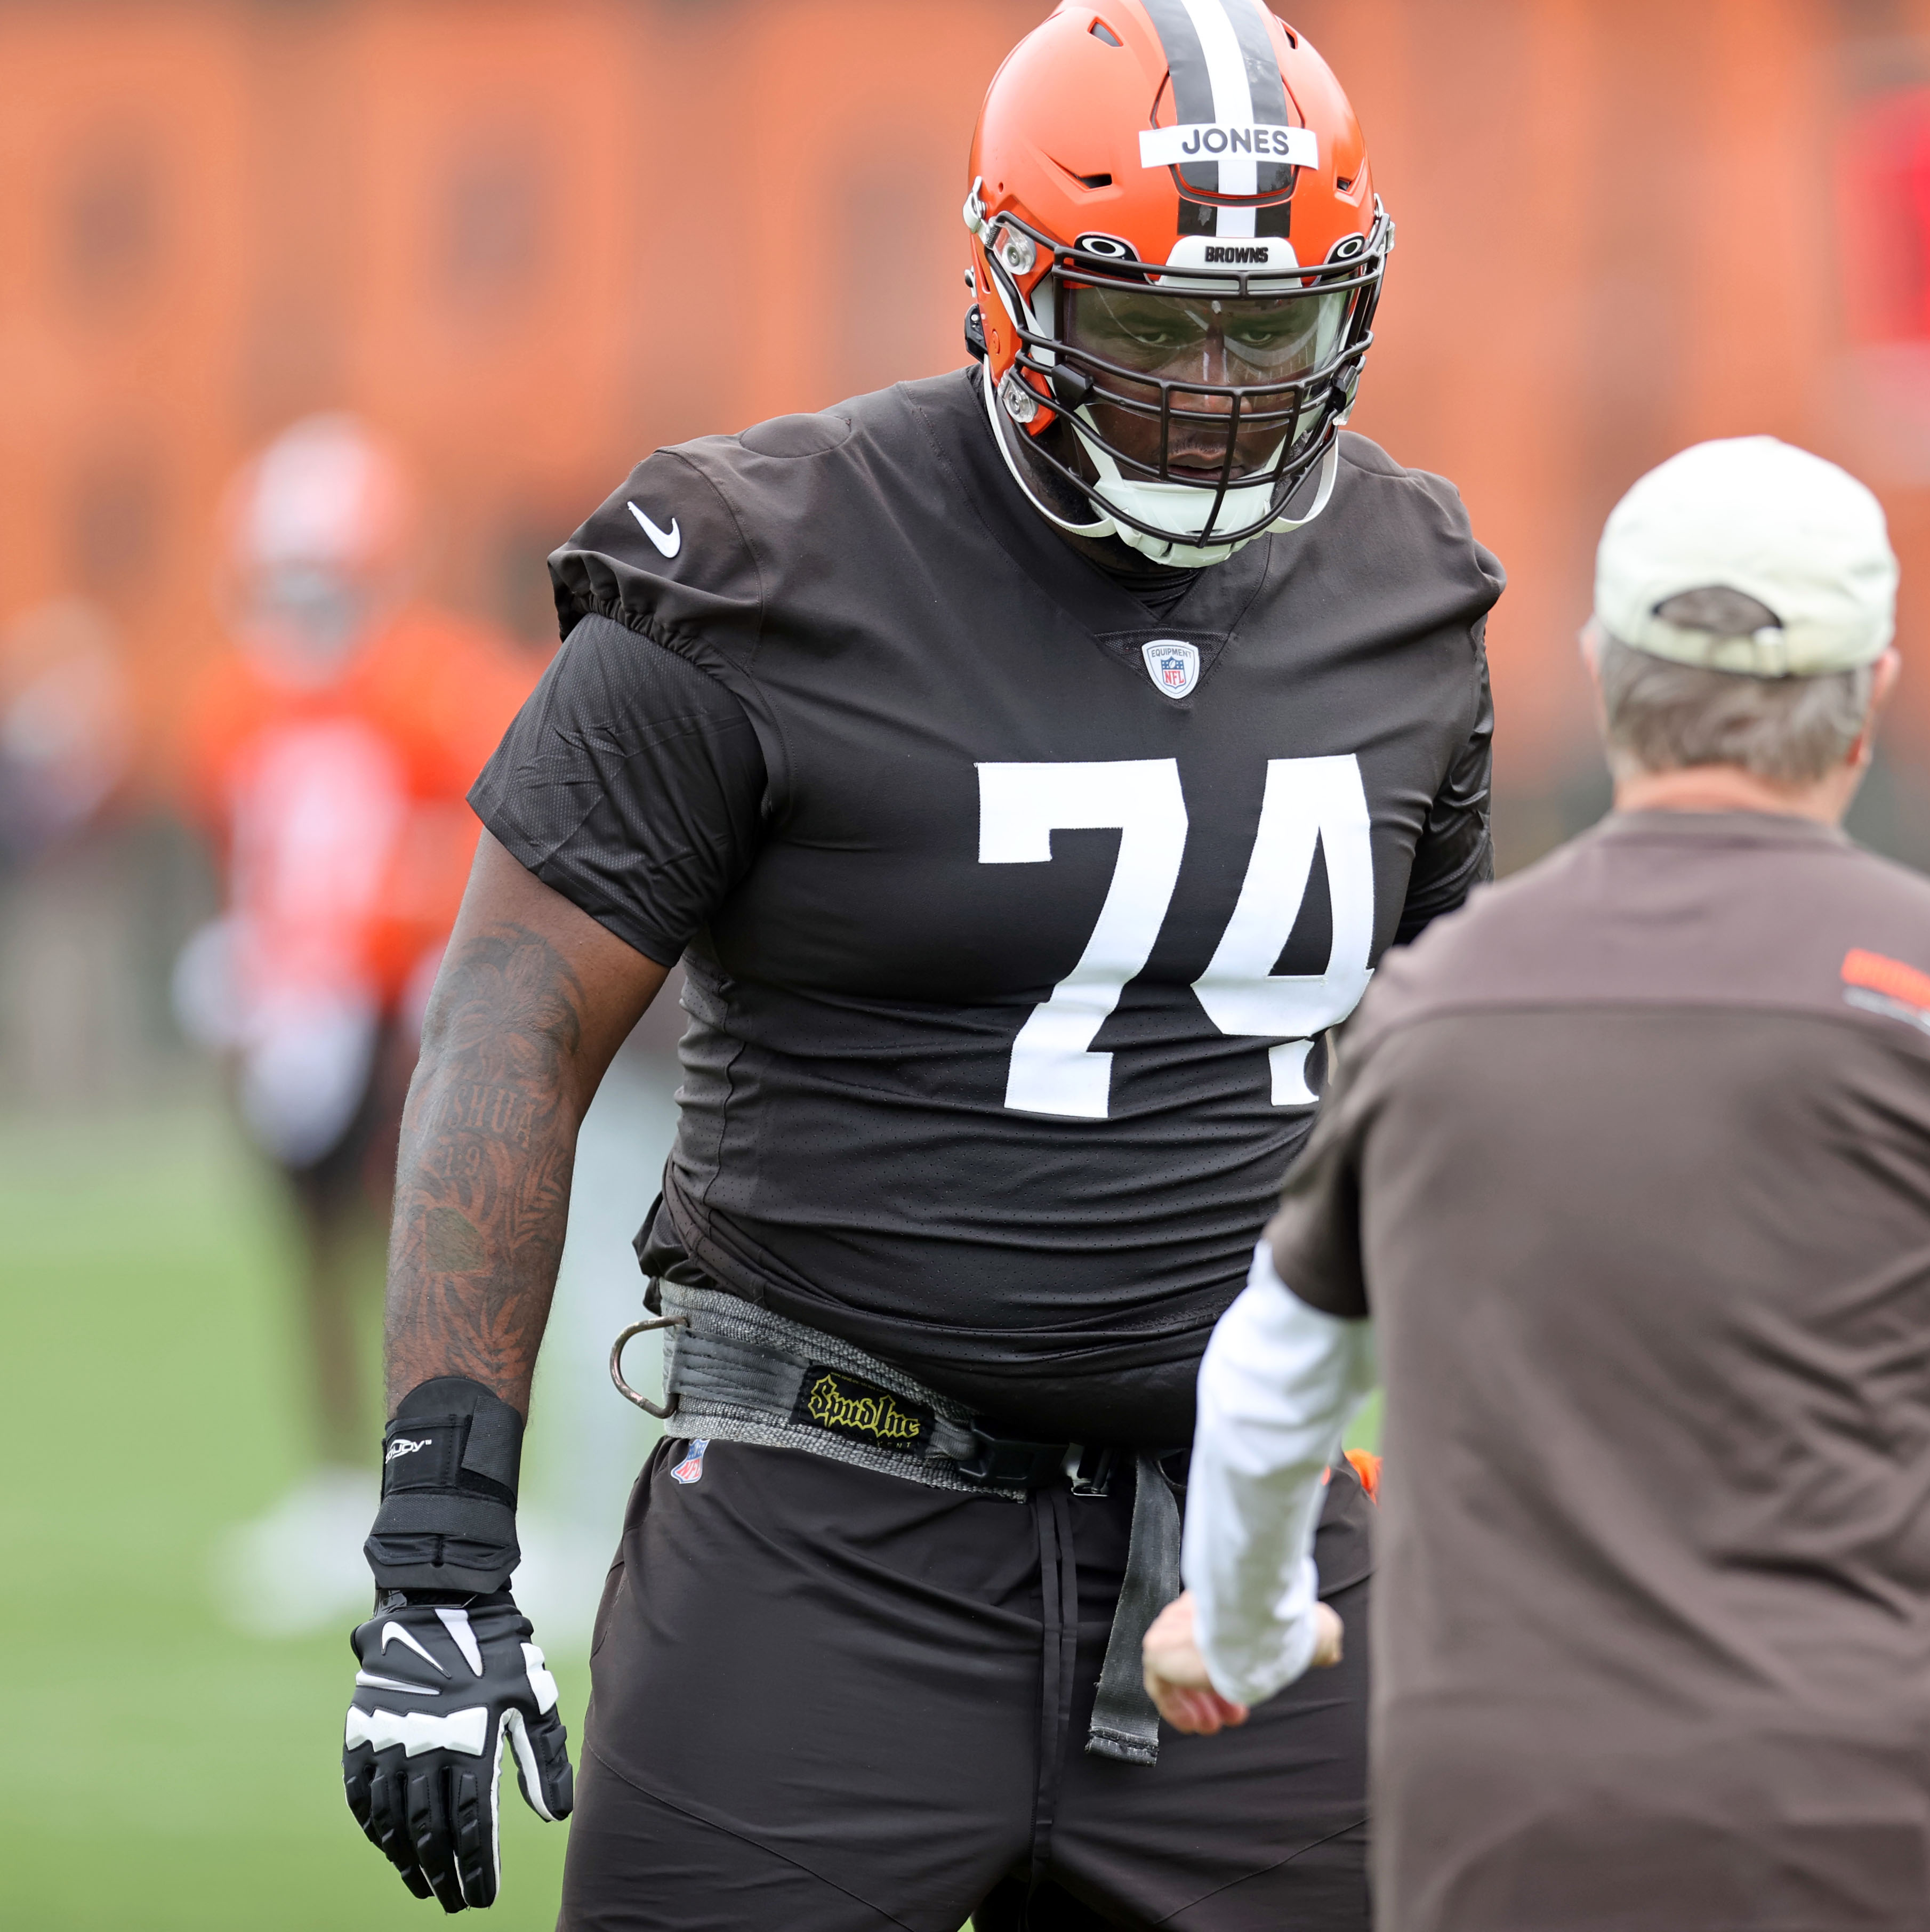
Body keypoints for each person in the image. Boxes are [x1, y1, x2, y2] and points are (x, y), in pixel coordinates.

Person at [337, 1, 1500, 1919]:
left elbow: (1464, 1080)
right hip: (826, 1536)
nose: (1211, 386)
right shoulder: (758, 563)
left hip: (1245, 1558)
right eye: (1142, 323)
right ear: (1006, 284)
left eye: (1268, 325)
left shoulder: (1408, 589)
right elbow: (507, 1023)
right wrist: (440, 1540)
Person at [1146, 437, 1930, 1932]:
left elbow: (1264, 1384)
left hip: (1498, 1863)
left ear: (1597, 670)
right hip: (1875, 1852)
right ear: (1870, 697)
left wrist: (1247, 1633)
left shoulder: (1430, 1004)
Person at [180, 414, 534, 1636]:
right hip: (299, 1011)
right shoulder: (239, 703)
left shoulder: (437, 683)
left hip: (410, 1002)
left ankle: (442, 1493)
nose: (303, 599)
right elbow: (238, 853)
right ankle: (340, 1485)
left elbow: (501, 834)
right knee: (313, 1253)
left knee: (428, 1256)